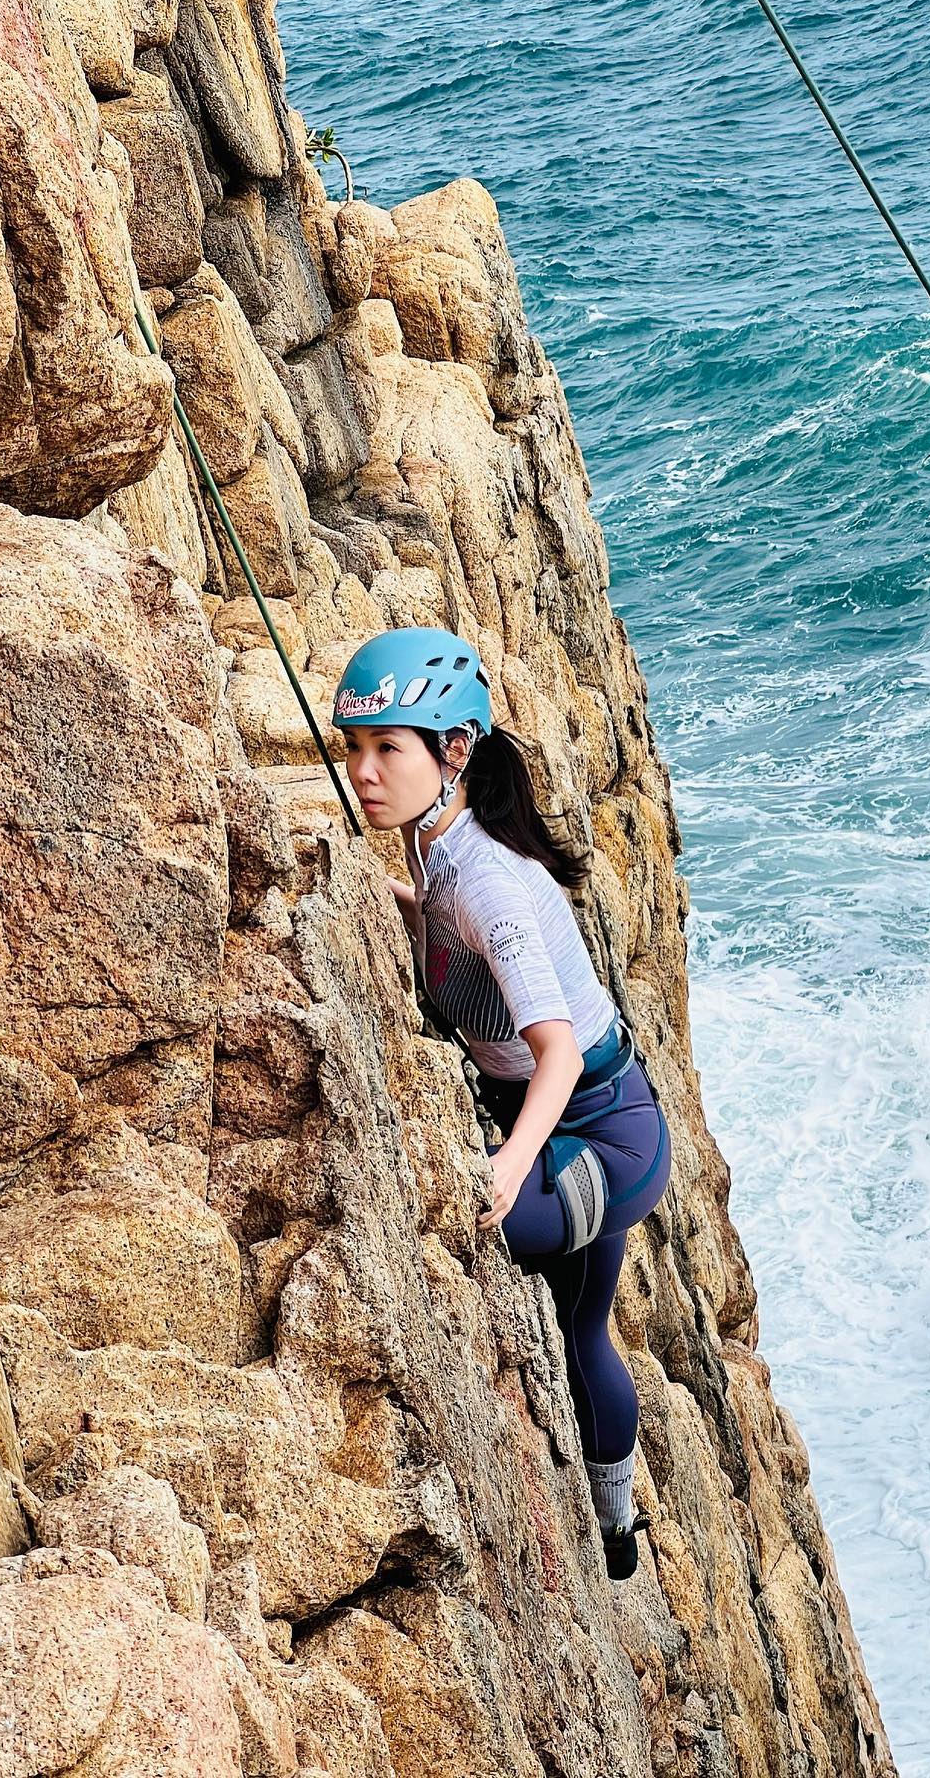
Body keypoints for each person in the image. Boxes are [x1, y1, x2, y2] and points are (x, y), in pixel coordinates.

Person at [331, 626, 673, 1580]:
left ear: (454, 752)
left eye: (387, 747)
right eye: (354, 746)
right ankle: (616, 1520)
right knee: (580, 1325)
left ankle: (610, 1516)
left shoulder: (487, 881)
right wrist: (393, 902)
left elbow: (555, 1051)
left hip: (603, 1134)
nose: (363, 771)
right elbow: (451, 933)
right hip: (568, 1119)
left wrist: (507, 1166)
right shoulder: (438, 848)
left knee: (454, 1228)